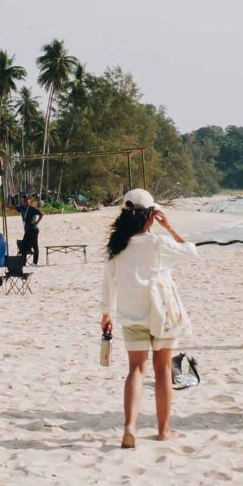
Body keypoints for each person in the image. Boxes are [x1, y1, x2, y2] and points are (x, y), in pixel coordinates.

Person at [99, 189, 193, 447]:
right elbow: (191, 252)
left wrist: (106, 312)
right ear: (151, 216)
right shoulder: (158, 243)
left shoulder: (117, 246)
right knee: (162, 370)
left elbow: (108, 283)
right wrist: (170, 227)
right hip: (161, 314)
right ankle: (163, 430)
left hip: (131, 314)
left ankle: (130, 426)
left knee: (135, 370)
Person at [18, 193, 43, 268]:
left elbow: (41, 214)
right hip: (27, 230)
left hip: (33, 229)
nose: (25, 201)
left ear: (29, 201)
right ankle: (23, 262)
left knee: (35, 246)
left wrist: (37, 222)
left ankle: (35, 262)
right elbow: (13, 208)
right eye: (24, 200)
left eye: (26, 200)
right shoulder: (22, 208)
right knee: (23, 246)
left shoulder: (32, 208)